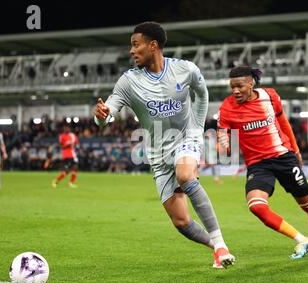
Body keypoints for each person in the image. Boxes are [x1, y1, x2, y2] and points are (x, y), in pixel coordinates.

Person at [94, 21, 235, 269]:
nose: (131, 51)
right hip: (158, 155)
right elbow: (108, 112)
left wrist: (197, 128)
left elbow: (202, 93)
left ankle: (220, 242)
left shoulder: (185, 69)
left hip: (186, 139)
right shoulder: (128, 81)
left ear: (153, 45)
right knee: (181, 222)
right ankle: (216, 248)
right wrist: (102, 115)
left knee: (184, 175)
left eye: (136, 45)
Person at [217, 65, 308, 259]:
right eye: (232, 87)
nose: (235, 91)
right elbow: (223, 135)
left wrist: (295, 150)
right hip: (258, 164)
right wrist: (223, 145)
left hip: (283, 157)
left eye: (240, 86)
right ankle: (302, 240)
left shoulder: (270, 96)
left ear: (251, 83)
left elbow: (284, 123)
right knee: (256, 206)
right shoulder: (227, 107)